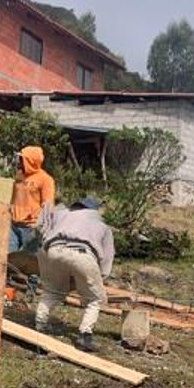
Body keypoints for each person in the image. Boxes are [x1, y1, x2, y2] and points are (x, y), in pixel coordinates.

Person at [34, 195, 115, 352]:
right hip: (83, 253)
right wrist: (101, 277)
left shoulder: (61, 214)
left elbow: (40, 227)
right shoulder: (101, 225)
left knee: (52, 291)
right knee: (95, 299)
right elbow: (107, 257)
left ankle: (40, 325)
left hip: (53, 250)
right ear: (94, 210)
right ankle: (85, 335)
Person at [9, 145, 55, 252]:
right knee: (9, 258)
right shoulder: (20, 176)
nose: (19, 162)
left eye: (22, 159)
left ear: (31, 161)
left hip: (31, 228)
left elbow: (48, 206)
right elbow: (14, 199)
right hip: (14, 226)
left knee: (28, 262)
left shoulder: (45, 179)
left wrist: (41, 227)